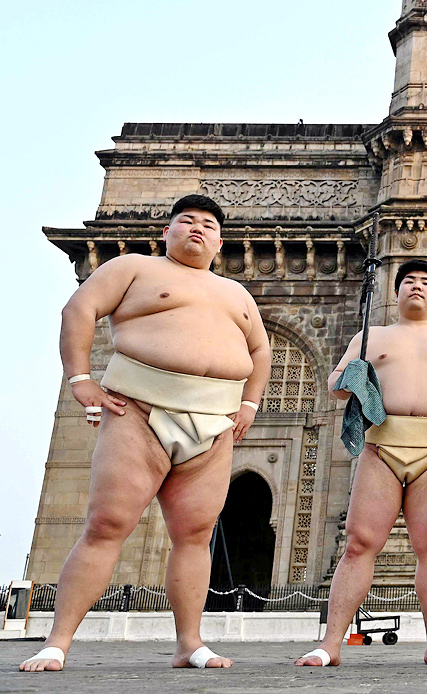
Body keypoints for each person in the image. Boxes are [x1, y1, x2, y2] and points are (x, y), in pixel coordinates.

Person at [21, 195, 270, 672]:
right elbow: (79, 310)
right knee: (107, 525)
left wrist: (249, 404)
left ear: (221, 242)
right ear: (165, 232)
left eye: (208, 225)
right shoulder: (133, 267)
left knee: (195, 536)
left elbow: (259, 350)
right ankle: (57, 642)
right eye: (186, 221)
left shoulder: (237, 294)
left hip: (214, 423)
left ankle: (189, 644)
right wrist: (81, 379)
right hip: (140, 409)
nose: (197, 229)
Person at [296, 259, 427, 667]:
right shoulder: (370, 337)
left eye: (426, 282)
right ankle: (331, 643)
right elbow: (336, 385)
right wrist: (353, 376)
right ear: (396, 293)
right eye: (408, 281)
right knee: (358, 544)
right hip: (382, 448)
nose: (417, 287)